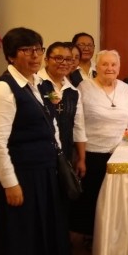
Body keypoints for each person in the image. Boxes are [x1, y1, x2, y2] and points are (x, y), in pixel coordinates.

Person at [0, 27, 72, 255]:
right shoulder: (2, 89)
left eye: (38, 49)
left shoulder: (35, 84)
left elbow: (50, 123)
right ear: (11, 55)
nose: (35, 55)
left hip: (42, 170)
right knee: (22, 231)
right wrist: (10, 183)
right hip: (22, 174)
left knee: (41, 226)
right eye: (27, 50)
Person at [70, 50, 128, 243]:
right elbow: (79, 123)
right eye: (105, 64)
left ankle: (114, 236)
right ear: (97, 67)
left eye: (113, 64)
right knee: (93, 198)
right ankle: (93, 238)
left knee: (116, 199)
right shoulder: (85, 87)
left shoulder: (125, 88)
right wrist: (81, 157)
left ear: (119, 67)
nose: (109, 68)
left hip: (120, 153)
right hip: (93, 153)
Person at [39, 42, 87, 174]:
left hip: (65, 151)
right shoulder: (36, 84)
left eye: (68, 59)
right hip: (40, 152)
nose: (64, 63)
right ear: (47, 60)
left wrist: (81, 158)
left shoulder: (73, 91)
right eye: (58, 58)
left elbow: (79, 126)